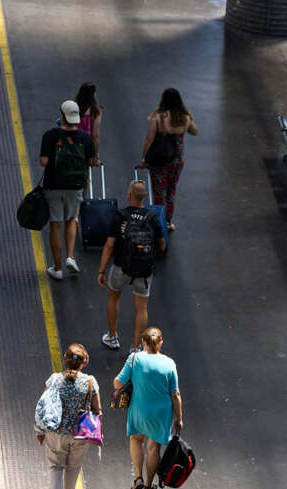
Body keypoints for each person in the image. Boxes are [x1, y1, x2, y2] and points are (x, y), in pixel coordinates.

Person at [96, 180, 165, 353]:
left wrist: (101, 270)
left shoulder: (120, 216)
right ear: (144, 197)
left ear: (129, 195)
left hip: (120, 266)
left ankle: (112, 337)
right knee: (142, 308)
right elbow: (162, 245)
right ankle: (135, 347)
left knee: (113, 298)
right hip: (143, 270)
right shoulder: (152, 217)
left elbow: (110, 245)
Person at [113, 327, 182, 489]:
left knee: (136, 440)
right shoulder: (169, 363)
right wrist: (179, 418)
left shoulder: (134, 358)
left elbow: (117, 383)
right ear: (161, 343)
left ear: (143, 342)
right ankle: (149, 487)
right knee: (153, 448)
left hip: (138, 409)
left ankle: (138, 479)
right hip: (161, 413)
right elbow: (175, 394)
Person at [36, 344, 102, 489]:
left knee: (55, 466)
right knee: (73, 468)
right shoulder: (90, 382)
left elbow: (43, 406)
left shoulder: (55, 379)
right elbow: (97, 409)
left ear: (65, 358)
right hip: (80, 434)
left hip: (56, 433)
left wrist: (40, 430)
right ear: (84, 362)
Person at [39, 100, 98, 280]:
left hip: (54, 185)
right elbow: (91, 162)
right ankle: (70, 257)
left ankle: (57, 268)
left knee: (55, 224)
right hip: (75, 185)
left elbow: (43, 162)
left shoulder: (50, 135)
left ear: (62, 115)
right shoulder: (85, 138)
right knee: (71, 219)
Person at [138, 88, 198, 233]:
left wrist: (144, 158)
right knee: (171, 190)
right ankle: (168, 221)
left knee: (159, 191)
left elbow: (149, 139)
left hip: (160, 160)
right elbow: (194, 131)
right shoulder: (185, 117)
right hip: (178, 159)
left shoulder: (158, 117)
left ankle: (159, 221)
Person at [74, 82, 102, 152]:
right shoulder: (96, 111)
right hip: (87, 147)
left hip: (73, 144)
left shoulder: (73, 107)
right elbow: (95, 135)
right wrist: (96, 155)